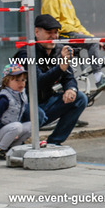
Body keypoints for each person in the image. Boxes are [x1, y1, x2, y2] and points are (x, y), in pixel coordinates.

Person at [16, 14, 87, 145]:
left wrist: (71, 89)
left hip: (45, 102)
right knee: (38, 115)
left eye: (56, 33)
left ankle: (54, 143)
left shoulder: (59, 50)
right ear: (36, 32)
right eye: (49, 33)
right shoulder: (26, 53)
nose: (53, 36)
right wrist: (60, 68)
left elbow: (69, 77)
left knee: (80, 98)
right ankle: (13, 143)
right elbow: (37, 82)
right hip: (22, 105)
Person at [41, 0, 105, 86]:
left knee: (92, 42)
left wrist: (92, 37)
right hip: (61, 35)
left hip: (70, 34)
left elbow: (77, 24)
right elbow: (53, 24)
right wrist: (87, 38)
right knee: (92, 43)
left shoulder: (67, 1)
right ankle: (98, 78)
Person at [0, 63, 31, 160]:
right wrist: (12, 131)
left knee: (31, 126)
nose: (21, 83)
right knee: (17, 126)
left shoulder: (21, 95)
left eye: (23, 80)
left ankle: (13, 149)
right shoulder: (4, 98)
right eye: (17, 80)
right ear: (6, 81)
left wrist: (14, 132)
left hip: (11, 130)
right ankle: (0, 150)